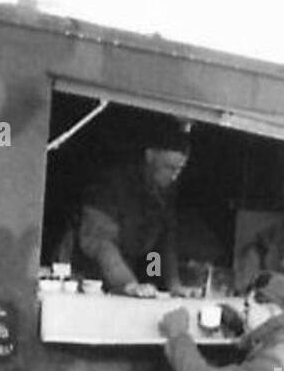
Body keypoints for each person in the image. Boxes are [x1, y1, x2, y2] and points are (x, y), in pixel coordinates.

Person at [57, 120, 199, 297]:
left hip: (125, 278)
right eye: (169, 168)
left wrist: (170, 284)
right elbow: (101, 244)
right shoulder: (111, 186)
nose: (174, 177)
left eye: (179, 170)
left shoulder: (164, 193)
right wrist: (128, 284)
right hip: (81, 277)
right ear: (150, 156)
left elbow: (160, 247)